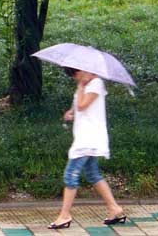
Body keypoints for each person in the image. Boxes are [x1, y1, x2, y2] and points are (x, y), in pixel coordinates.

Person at [49, 67, 127, 230]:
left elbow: (83, 105)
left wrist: (81, 87)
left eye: (75, 75)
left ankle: (64, 215)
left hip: (89, 138)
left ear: (81, 71)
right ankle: (114, 208)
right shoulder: (87, 83)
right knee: (93, 174)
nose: (75, 79)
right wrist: (71, 113)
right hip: (84, 136)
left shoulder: (96, 83)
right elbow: (79, 107)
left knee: (71, 174)